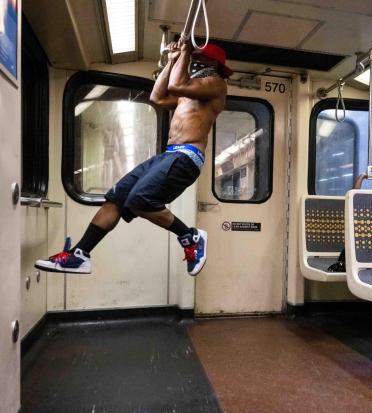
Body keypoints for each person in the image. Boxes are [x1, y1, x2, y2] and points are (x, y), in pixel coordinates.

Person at [35, 41, 233, 276]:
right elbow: (157, 97)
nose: (194, 61)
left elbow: (176, 84)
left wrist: (186, 53)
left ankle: (190, 237)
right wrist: (171, 60)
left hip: (187, 156)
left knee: (140, 200)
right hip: (170, 154)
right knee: (115, 199)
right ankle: (79, 255)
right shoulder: (189, 93)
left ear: (215, 64)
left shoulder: (216, 85)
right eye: (193, 56)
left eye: (200, 57)